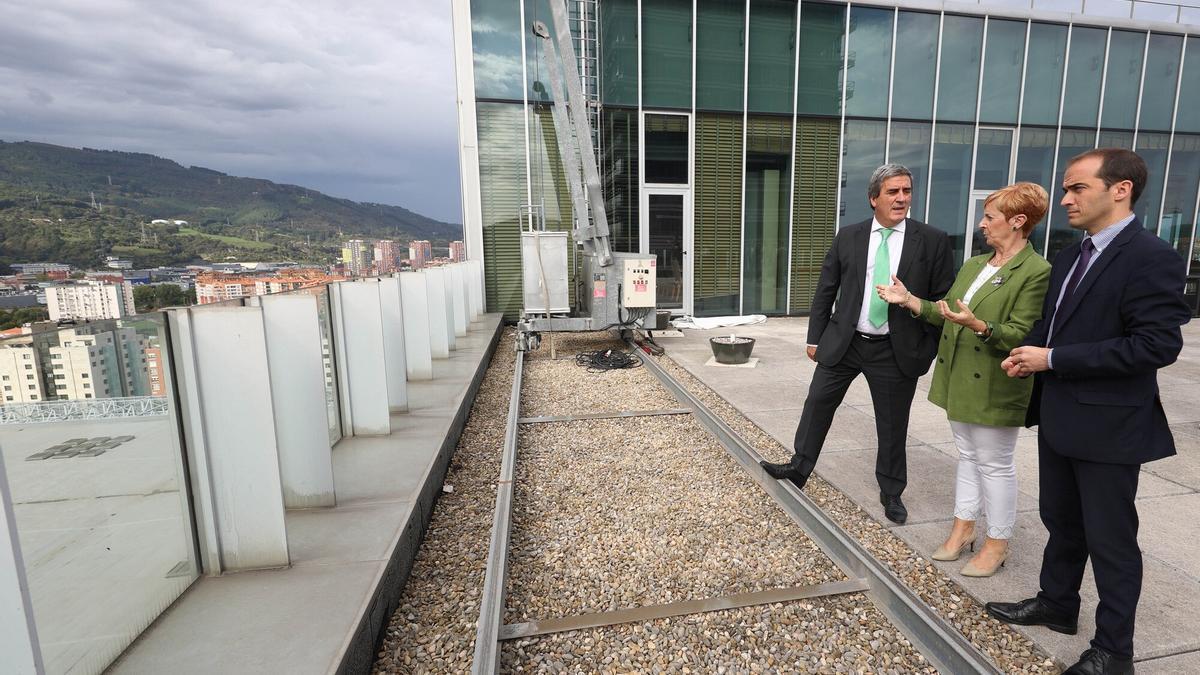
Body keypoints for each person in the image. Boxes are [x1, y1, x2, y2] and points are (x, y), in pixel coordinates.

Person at [985, 149, 1190, 675]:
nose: (1066, 199)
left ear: (1120, 189)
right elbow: (1053, 325)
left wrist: (1052, 358)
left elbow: (1153, 347)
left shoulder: (1152, 256)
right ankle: (1057, 604)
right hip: (1061, 416)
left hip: (1111, 425)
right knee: (1062, 521)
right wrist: (1027, 353)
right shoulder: (1074, 254)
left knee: (1111, 541)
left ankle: (1114, 651)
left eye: (1077, 188)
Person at [760, 163, 955, 524]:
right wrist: (815, 337)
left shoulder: (932, 240)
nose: (901, 198)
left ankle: (892, 491)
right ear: (873, 198)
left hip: (895, 350)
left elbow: (943, 298)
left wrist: (925, 342)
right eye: (893, 191)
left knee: (893, 424)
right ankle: (799, 467)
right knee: (817, 402)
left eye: (906, 191)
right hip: (845, 342)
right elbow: (826, 289)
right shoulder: (848, 236)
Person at [876, 182, 1050, 577]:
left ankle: (997, 542)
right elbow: (945, 312)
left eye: (990, 217)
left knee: (996, 464)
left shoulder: (1036, 271)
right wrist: (910, 301)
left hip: (995, 379)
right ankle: (963, 528)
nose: (982, 225)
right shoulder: (974, 265)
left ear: (1018, 221)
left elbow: (1022, 332)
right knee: (969, 457)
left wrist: (980, 325)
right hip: (959, 377)